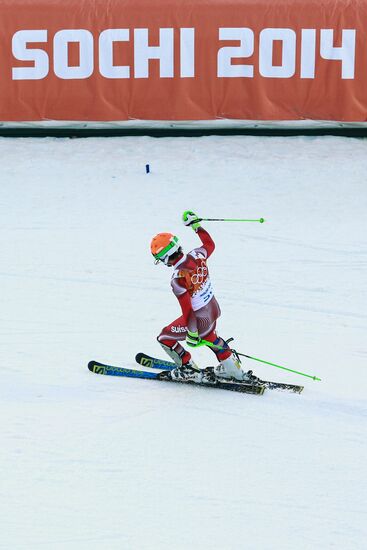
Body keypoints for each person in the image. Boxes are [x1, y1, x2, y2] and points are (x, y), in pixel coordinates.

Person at [150, 210, 257, 383]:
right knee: (210, 338)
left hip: (199, 318)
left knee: (165, 337)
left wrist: (192, 333)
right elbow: (210, 244)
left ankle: (188, 368)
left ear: (166, 257)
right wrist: (196, 226)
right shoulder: (197, 254)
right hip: (213, 308)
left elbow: (188, 311)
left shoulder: (178, 278)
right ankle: (233, 369)